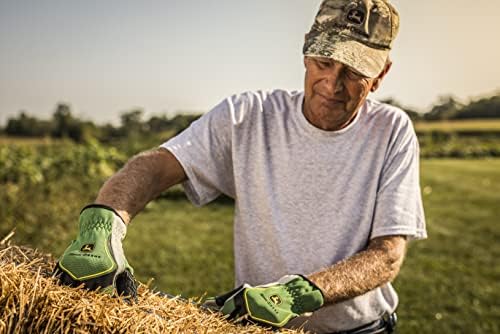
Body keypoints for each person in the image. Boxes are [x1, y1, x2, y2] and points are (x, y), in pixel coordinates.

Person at [55, 0, 427, 333]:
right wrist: (103, 222)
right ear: (305, 52)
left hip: (358, 329)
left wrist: (294, 295)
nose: (332, 84)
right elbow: (158, 165)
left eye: (353, 71)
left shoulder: (391, 131)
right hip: (258, 329)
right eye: (324, 62)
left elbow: (387, 254)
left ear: (381, 74)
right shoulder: (248, 115)